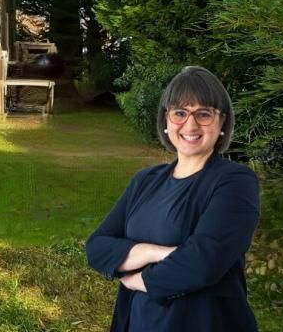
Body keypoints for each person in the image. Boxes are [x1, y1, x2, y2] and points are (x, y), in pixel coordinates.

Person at [86, 66, 261, 331]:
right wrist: (153, 252)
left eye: (204, 114)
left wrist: (140, 280)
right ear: (166, 120)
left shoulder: (235, 182)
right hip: (139, 322)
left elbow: (202, 263)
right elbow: (97, 247)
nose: (190, 125)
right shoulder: (146, 180)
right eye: (180, 113)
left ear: (221, 122)